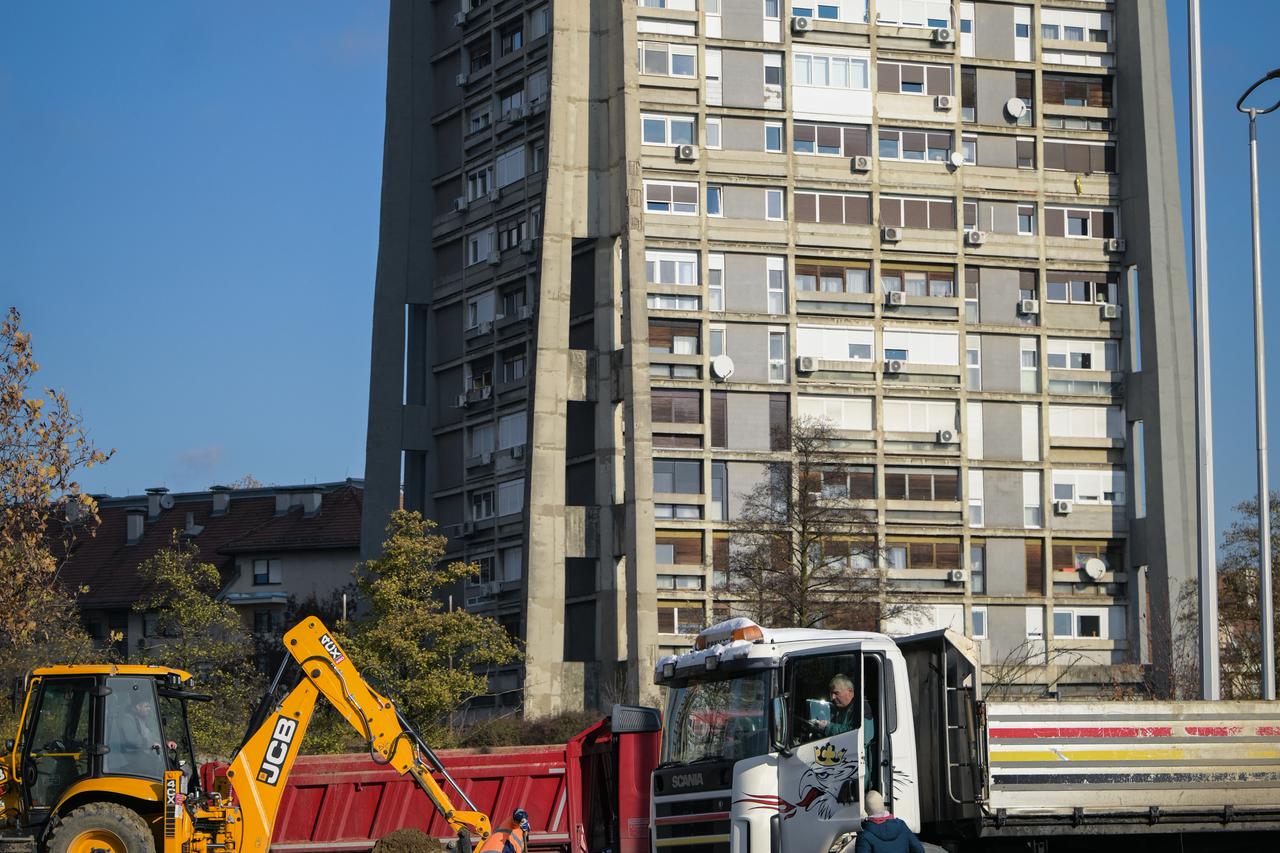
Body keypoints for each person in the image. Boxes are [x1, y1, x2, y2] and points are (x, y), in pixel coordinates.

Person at [852, 790, 924, 853]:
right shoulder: (902, 825)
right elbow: (919, 850)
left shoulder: (864, 836)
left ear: (866, 810)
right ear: (883, 805)